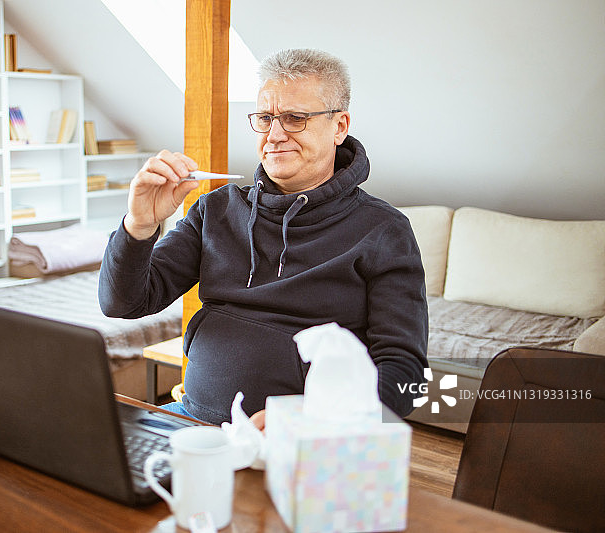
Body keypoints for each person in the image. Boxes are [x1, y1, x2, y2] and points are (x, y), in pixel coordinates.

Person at [98, 48, 428, 428]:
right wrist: (139, 226)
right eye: (265, 118)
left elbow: (406, 376)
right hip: (193, 423)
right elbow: (123, 303)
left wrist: (312, 418)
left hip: (309, 439)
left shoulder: (383, 230)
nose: (274, 135)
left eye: (295, 118)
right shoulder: (216, 210)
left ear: (339, 126)